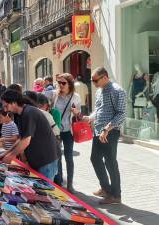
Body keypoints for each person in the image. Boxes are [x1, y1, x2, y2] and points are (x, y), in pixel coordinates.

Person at [83, 67, 127, 205]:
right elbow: (99, 109)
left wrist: (107, 129)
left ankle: (116, 195)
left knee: (110, 162)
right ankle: (106, 189)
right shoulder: (99, 91)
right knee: (95, 158)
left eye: (96, 80)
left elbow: (121, 114)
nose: (94, 83)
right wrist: (89, 118)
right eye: (92, 80)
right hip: (98, 131)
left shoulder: (117, 91)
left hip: (110, 132)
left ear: (105, 77)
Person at [0, 90, 59, 180]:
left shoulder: (29, 113)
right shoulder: (18, 115)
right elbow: (20, 138)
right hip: (37, 160)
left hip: (46, 161)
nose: (6, 110)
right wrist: (7, 153)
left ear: (14, 103)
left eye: (6, 106)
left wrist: (11, 156)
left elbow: (26, 141)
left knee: (45, 192)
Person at [51, 73, 81, 193]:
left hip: (69, 130)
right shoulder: (54, 95)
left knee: (69, 157)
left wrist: (76, 112)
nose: (61, 85)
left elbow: (79, 114)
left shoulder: (76, 97)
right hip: (56, 130)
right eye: (59, 83)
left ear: (70, 84)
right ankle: (58, 182)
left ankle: (70, 184)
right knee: (57, 157)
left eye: (63, 83)